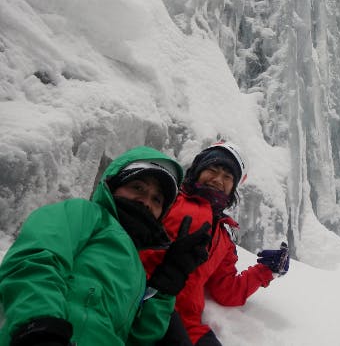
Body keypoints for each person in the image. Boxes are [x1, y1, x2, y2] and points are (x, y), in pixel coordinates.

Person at [0, 146, 210, 346]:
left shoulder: (137, 271)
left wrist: (166, 284)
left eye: (157, 199)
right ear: (113, 186)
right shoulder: (85, 213)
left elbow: (138, 339)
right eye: (137, 187)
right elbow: (35, 259)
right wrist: (40, 329)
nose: (146, 201)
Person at [140, 141, 290, 346]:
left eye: (228, 177)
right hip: (139, 302)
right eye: (212, 169)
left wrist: (266, 271)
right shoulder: (167, 199)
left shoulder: (223, 237)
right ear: (197, 171)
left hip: (187, 324)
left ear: (233, 188)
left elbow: (226, 290)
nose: (218, 179)